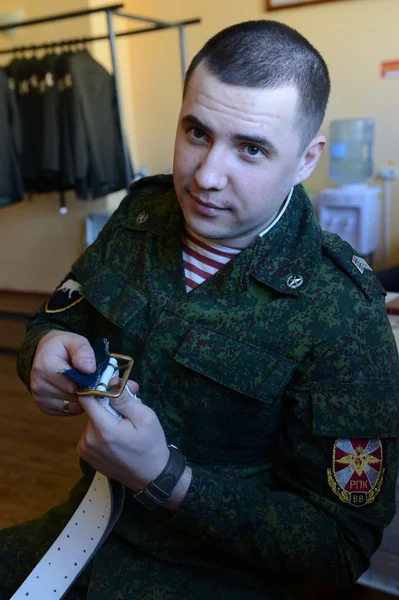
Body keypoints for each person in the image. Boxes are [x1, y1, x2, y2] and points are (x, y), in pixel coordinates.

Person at [1, 19, 398, 600]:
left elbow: (337, 546)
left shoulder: (341, 310)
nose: (207, 176)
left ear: (307, 158)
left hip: (218, 573)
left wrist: (165, 478)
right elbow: (58, 321)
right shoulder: (139, 219)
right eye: (196, 132)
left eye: (252, 148)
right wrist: (42, 353)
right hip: (83, 531)